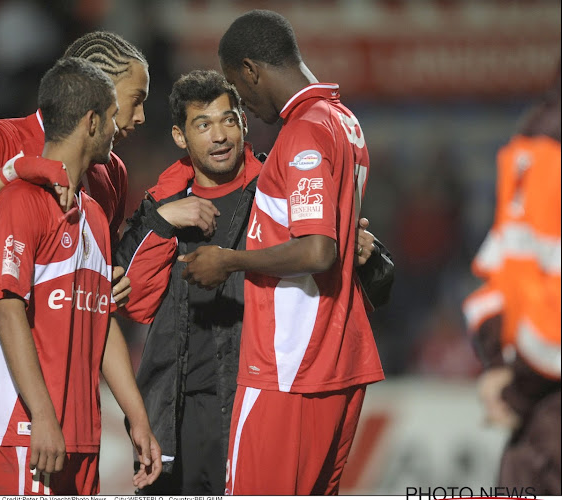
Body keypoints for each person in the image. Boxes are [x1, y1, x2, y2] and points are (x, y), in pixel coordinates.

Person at [116, 69, 394, 494]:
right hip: (174, 414)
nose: (219, 136)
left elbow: (373, 285)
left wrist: (370, 257)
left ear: (245, 123)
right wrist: (163, 220)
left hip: (255, 402)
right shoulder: (163, 204)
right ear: (179, 136)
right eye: (203, 125)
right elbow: (128, 296)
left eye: (229, 120)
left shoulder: (282, 193)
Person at [0, 31, 153, 494]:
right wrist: (13, 170)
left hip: (72, 381)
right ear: (99, 94)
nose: (140, 117)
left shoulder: (109, 172)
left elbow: (86, 265)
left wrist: (107, 281)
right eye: (134, 100)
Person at [176, 10, 385, 495]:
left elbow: (317, 251)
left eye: (237, 87)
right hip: (339, 358)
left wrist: (229, 261)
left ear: (250, 70)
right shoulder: (344, 121)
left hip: (291, 363)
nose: (242, 103)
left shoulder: (304, 132)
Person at [463, 64, 560, 494]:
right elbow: (501, 278)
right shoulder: (538, 148)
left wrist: (513, 391)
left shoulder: (542, 146)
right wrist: (503, 371)